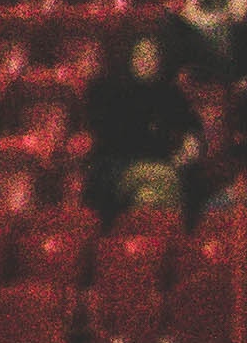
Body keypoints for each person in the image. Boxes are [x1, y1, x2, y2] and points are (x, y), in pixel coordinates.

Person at [75, 23, 205, 218]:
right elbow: (120, 143)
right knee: (165, 178)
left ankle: (143, 239)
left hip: (159, 171)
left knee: (149, 197)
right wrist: (166, 159)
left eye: (152, 56)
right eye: (141, 55)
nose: (146, 61)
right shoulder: (111, 92)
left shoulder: (170, 95)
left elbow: (190, 124)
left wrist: (191, 141)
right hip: (116, 169)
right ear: (130, 58)